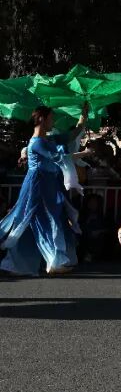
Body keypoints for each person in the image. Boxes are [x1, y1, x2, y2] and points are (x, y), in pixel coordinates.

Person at [0, 105, 88, 276]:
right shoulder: (37, 143)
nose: (52, 121)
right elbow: (59, 158)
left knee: (42, 220)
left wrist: (83, 117)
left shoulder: (49, 140)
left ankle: (19, 263)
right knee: (41, 220)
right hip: (37, 185)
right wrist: (85, 153)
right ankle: (53, 262)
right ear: (42, 119)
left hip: (49, 185)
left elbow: (72, 135)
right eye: (51, 118)